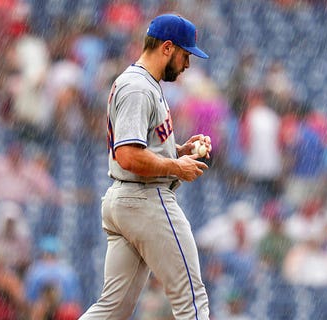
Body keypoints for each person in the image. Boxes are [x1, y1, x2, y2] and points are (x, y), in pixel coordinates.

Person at [79, 14, 211, 320]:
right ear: (167, 48)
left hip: (126, 200)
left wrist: (178, 151)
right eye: (185, 54)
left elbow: (141, 148)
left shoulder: (142, 83)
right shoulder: (138, 87)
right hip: (145, 198)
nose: (188, 63)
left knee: (112, 309)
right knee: (192, 299)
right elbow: (128, 155)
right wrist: (177, 167)